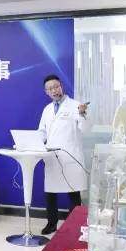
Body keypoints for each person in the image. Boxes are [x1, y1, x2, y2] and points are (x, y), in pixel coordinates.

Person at [38, 74, 91, 235]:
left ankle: (74, 226)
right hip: (52, 157)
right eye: (50, 89)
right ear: (46, 92)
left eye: (56, 86)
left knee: (73, 192)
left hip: (70, 157)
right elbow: (42, 132)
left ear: (61, 86)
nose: (54, 90)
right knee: (50, 192)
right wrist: (36, 143)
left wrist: (82, 114)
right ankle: (51, 223)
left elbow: (86, 129)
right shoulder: (47, 109)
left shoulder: (75, 106)